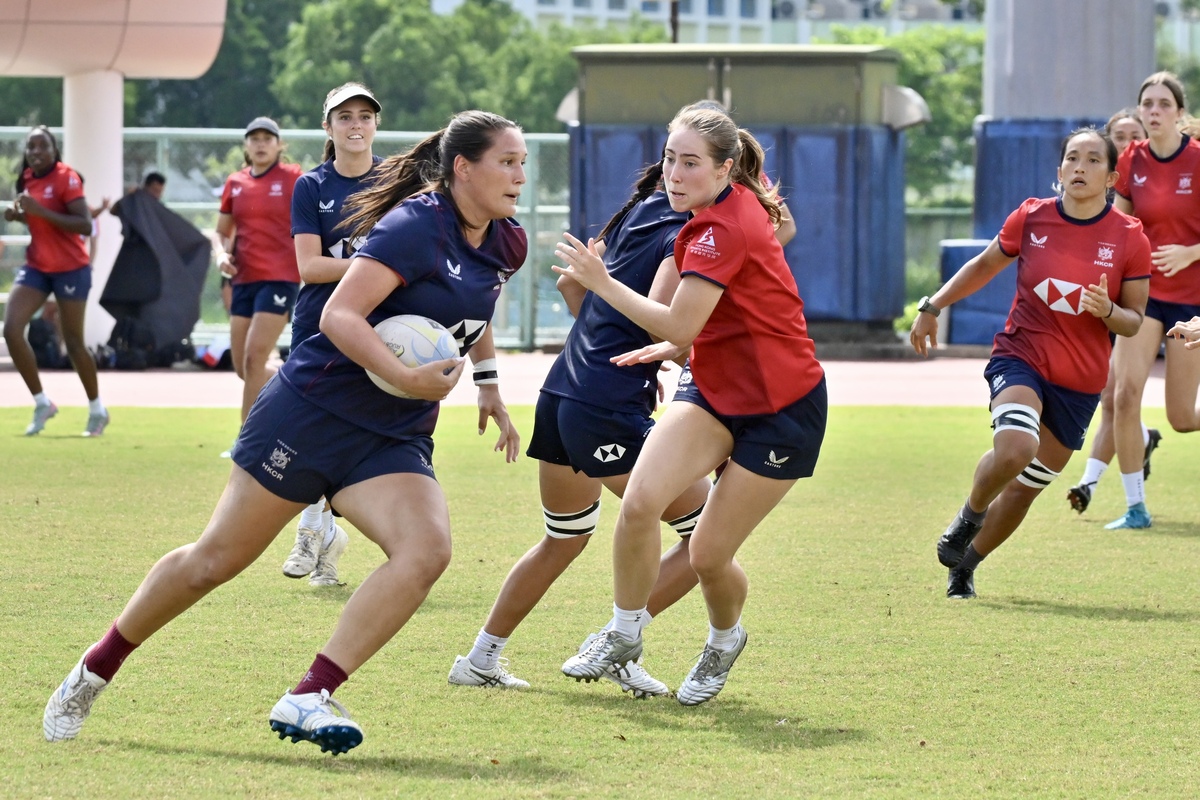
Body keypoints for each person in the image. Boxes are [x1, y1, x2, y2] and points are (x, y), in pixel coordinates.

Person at [43, 110, 528, 755]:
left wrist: (489, 383)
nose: (521, 176)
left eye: (524, 163)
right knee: (213, 562)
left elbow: (471, 308)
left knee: (425, 550)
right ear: (463, 168)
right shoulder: (413, 226)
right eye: (508, 162)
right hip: (313, 412)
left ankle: (310, 694)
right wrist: (406, 378)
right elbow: (339, 315)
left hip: (391, 435)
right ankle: (95, 668)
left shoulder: (507, 241)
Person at [551, 105, 827, 705]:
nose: (675, 174)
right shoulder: (711, 216)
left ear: (726, 168)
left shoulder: (723, 227)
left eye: (691, 163)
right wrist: (671, 345)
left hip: (783, 406)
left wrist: (601, 282)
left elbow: (680, 317)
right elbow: (685, 326)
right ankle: (624, 633)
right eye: (670, 159)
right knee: (642, 502)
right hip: (713, 390)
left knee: (707, 554)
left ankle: (725, 639)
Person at [447, 160, 715, 696]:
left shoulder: (636, 213)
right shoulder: (687, 234)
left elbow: (576, 291)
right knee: (709, 536)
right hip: (603, 404)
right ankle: (618, 642)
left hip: (565, 390)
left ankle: (480, 658)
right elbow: (663, 319)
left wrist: (626, 351)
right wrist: (674, 348)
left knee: (563, 539)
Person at [912, 128, 1151, 599]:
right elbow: (983, 265)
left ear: (1111, 177)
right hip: (1021, 356)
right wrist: (932, 305)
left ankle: (966, 565)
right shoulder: (1032, 217)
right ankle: (969, 515)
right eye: (1071, 159)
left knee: (1025, 487)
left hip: (1078, 384)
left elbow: (1134, 321)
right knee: (1015, 448)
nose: (1080, 167)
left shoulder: (1129, 238)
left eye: (1092, 160)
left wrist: (1108, 311)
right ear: (1059, 171)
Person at [280, 82, 384, 588]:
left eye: (365, 116)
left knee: (350, 433)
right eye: (345, 117)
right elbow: (309, 266)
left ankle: (315, 528)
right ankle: (318, 529)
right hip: (317, 326)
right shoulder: (311, 186)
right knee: (308, 431)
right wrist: (372, 266)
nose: (356, 125)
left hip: (375, 327)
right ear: (328, 128)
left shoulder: (396, 182)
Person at [1099, 72, 1200, 530]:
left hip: (1191, 302)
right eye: (1148, 104)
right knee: (1123, 395)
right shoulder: (1132, 159)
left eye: (1163, 104)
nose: (1154, 111)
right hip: (1146, 297)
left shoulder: (1198, 159)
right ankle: (1135, 506)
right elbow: (1119, 225)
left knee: (1181, 418)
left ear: (1179, 112)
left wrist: (1191, 252)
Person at [1066, 109, 1157, 514]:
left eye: (1132, 135)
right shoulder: (1101, 198)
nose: (1125, 143)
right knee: (1113, 398)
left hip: (1153, 299)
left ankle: (1130, 455)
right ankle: (1093, 484)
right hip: (1109, 298)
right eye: (1117, 136)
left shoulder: (1161, 175)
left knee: (1125, 398)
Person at [2, 125, 110, 436]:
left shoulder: (66, 177)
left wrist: (38, 211)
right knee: (11, 329)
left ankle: (97, 409)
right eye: (30, 147)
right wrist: (19, 216)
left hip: (71, 269)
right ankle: (41, 402)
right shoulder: (26, 178)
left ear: (54, 149)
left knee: (74, 342)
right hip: (37, 266)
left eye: (42, 146)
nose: (35, 152)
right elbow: (37, 217)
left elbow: (85, 225)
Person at [212, 117, 304, 454]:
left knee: (253, 359)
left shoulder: (294, 178)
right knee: (243, 368)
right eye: (254, 138)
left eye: (268, 138)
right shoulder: (235, 182)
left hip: (280, 278)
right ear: (246, 146)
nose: (261, 143)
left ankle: (245, 441)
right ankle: (289, 376)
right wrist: (221, 254)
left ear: (280, 145)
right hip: (244, 281)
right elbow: (221, 231)